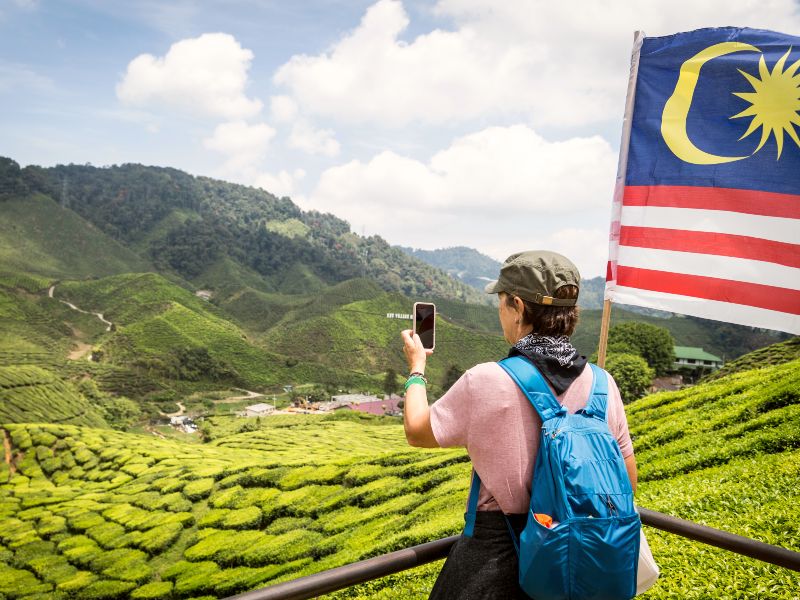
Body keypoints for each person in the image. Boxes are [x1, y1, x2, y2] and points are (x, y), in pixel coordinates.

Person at [400, 250, 637, 600]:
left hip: (498, 561)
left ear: (518, 307)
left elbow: (417, 430)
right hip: (577, 558)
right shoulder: (603, 384)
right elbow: (627, 480)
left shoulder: (486, 379)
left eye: (501, 303)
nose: (500, 313)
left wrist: (417, 368)